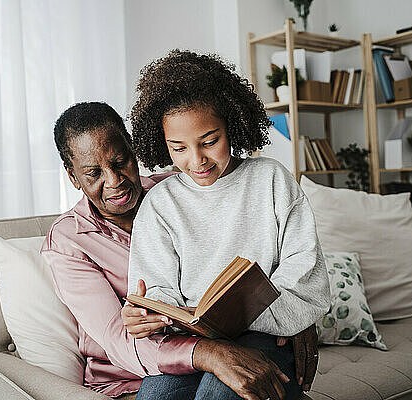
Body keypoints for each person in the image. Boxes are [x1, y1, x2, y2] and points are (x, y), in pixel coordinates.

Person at [42, 101, 321, 400]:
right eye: (94, 173)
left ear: (134, 151)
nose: (114, 181)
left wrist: (296, 317)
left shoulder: (186, 186)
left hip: (228, 344)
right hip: (132, 377)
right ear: (73, 177)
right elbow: (121, 340)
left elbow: (283, 258)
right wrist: (209, 352)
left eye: (121, 161)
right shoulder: (68, 241)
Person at [123, 50, 330, 400]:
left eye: (210, 141)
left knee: (220, 393)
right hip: (194, 341)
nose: (197, 160)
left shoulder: (271, 180)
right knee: (155, 396)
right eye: (179, 148)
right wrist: (148, 313)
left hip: (267, 335)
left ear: (232, 125)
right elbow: (157, 289)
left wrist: (250, 315)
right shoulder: (160, 202)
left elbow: (304, 272)